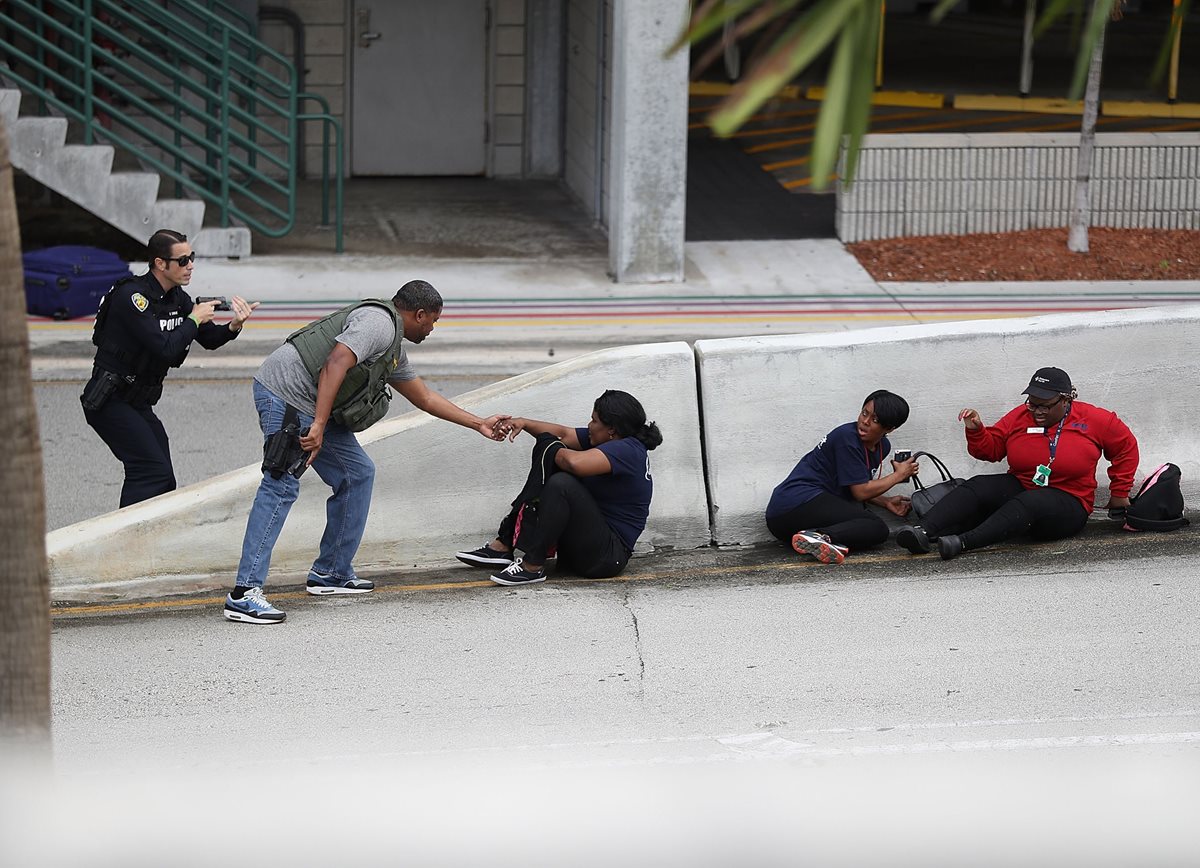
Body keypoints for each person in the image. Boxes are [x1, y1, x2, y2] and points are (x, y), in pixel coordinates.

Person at [223, 280, 510, 624]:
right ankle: (244, 593)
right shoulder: (378, 323)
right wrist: (318, 424)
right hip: (286, 393)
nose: (432, 329)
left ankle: (331, 572)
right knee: (280, 485)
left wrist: (478, 423)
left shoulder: (392, 348)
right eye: (433, 321)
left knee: (357, 474)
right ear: (419, 314)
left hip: (316, 405)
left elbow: (424, 398)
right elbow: (335, 363)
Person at [82, 228, 259, 508]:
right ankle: (128, 532)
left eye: (192, 258)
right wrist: (194, 319)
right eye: (183, 260)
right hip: (108, 400)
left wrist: (234, 325)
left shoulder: (177, 298)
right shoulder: (133, 297)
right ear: (160, 264)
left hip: (137, 400)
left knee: (164, 478)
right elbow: (166, 348)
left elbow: (209, 340)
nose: (190, 266)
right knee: (149, 470)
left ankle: (147, 528)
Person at [894, 367, 1139, 560]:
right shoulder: (1020, 416)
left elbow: (1126, 448)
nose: (1037, 411)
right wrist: (976, 430)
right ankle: (922, 531)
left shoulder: (1096, 419)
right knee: (979, 486)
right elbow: (991, 451)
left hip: (1069, 502)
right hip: (1023, 487)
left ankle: (963, 542)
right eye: (1032, 403)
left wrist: (1120, 492)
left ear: (1066, 400)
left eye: (1045, 405)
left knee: (1031, 501)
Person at [454, 390, 662, 586]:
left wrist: (549, 445)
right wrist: (523, 423)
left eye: (594, 420)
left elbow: (573, 463)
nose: (589, 425)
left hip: (607, 556)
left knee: (562, 481)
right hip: (587, 548)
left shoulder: (628, 450)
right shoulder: (607, 440)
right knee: (554, 455)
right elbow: (563, 433)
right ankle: (504, 544)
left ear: (612, 429)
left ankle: (531, 565)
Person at [765, 390, 919, 564]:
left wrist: (885, 502)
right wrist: (899, 475)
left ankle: (815, 538)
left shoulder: (883, 446)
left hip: (794, 522)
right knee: (876, 526)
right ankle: (822, 536)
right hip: (793, 504)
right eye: (864, 413)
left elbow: (852, 484)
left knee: (871, 527)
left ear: (890, 428)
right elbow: (860, 492)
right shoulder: (846, 437)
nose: (865, 421)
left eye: (875, 420)